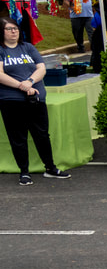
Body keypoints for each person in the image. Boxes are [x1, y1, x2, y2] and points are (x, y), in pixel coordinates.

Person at [0, 16, 71, 186]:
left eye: (15, 28)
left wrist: (30, 82)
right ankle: (24, 172)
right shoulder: (1, 50)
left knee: (42, 135)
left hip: (36, 98)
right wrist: (22, 86)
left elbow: (41, 68)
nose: (13, 32)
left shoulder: (28, 47)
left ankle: (50, 168)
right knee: (18, 137)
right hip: (11, 100)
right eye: (9, 29)